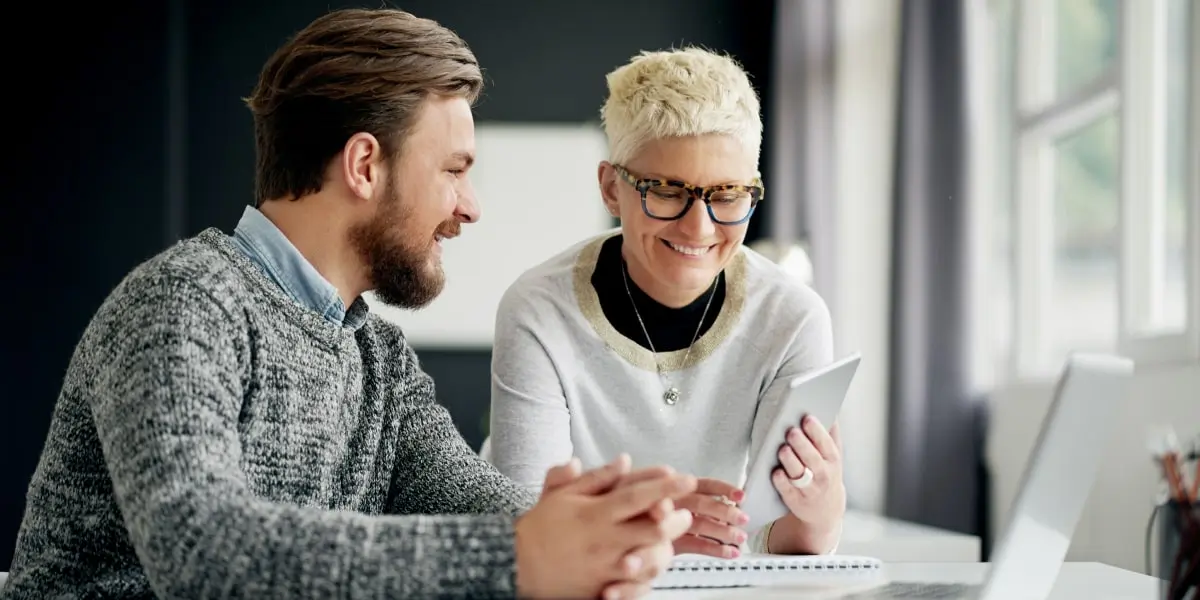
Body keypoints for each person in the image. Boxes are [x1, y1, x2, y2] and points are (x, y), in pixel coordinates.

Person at [2, 9, 698, 600]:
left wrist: (609, 525)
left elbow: (478, 504)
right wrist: (518, 556)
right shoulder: (184, 303)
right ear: (364, 165)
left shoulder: (377, 357)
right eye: (455, 169)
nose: (471, 207)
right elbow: (200, 548)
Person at [487, 47, 845, 559]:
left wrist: (822, 513)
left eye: (726, 195)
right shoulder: (538, 310)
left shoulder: (793, 318)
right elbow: (527, 530)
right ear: (612, 189)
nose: (698, 228)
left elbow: (783, 547)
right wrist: (656, 531)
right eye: (666, 191)